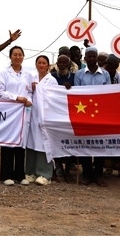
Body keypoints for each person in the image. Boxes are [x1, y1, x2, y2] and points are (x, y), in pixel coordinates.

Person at [0, 46, 33, 186]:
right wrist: (16, 98)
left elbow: (30, 92)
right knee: (8, 143)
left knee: (21, 144)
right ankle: (6, 175)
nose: (17, 57)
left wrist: (29, 100)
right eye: (15, 54)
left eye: (20, 55)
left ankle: (20, 175)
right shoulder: (4, 73)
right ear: (10, 57)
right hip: (9, 113)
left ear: (23, 56)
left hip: (23, 113)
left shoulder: (28, 74)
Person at [74, 46, 111, 187]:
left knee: (100, 144)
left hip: (100, 113)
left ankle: (98, 174)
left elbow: (109, 93)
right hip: (84, 113)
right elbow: (76, 93)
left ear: (97, 58)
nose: (91, 59)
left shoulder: (105, 74)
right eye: (88, 56)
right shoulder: (79, 74)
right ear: (85, 58)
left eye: (93, 56)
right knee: (85, 144)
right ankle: (87, 174)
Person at [23, 55, 58, 186]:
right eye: (39, 63)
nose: (41, 65)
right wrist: (31, 89)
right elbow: (26, 93)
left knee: (43, 144)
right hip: (32, 115)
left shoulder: (52, 80)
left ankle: (45, 174)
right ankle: (30, 172)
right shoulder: (32, 78)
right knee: (31, 143)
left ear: (48, 65)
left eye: (44, 63)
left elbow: (54, 98)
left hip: (45, 116)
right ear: (36, 64)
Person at [50, 54, 76, 182]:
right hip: (55, 113)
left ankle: (68, 170)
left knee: (69, 141)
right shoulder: (52, 77)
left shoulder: (74, 77)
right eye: (59, 62)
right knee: (56, 141)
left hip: (70, 114)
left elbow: (80, 91)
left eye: (64, 63)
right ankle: (58, 166)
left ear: (69, 65)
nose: (62, 65)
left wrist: (71, 89)